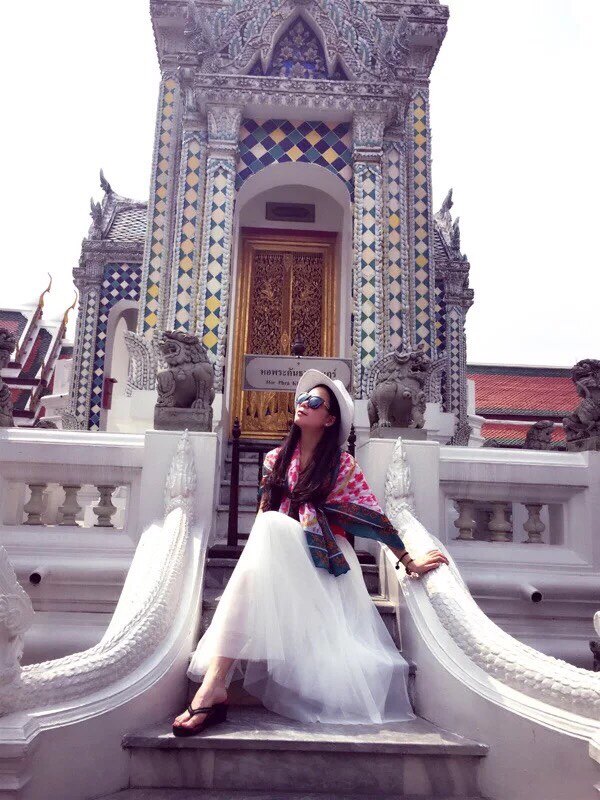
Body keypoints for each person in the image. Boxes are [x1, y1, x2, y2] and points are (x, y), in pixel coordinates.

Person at [172, 369, 448, 736]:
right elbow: (265, 515)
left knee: (270, 528)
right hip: (281, 554)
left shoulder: (342, 466)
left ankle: (213, 688)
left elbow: (372, 517)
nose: (303, 404)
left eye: (314, 402)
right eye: (302, 399)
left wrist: (409, 560)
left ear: (329, 419)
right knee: (267, 532)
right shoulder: (275, 459)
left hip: (326, 559)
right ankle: (214, 683)